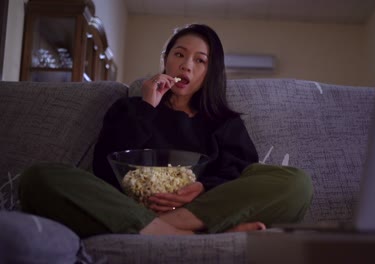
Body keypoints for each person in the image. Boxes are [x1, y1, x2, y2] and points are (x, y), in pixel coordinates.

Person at [19, 24, 313, 238]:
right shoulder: (129, 109)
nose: (187, 65)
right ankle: (186, 235)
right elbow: (106, 169)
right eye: (179, 54)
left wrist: (204, 187)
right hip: (124, 205)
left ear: (210, 72)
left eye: (200, 61)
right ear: (166, 60)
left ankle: (169, 228)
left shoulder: (224, 122)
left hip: (199, 207)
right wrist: (148, 107)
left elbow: (240, 172)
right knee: (39, 177)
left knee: (296, 183)